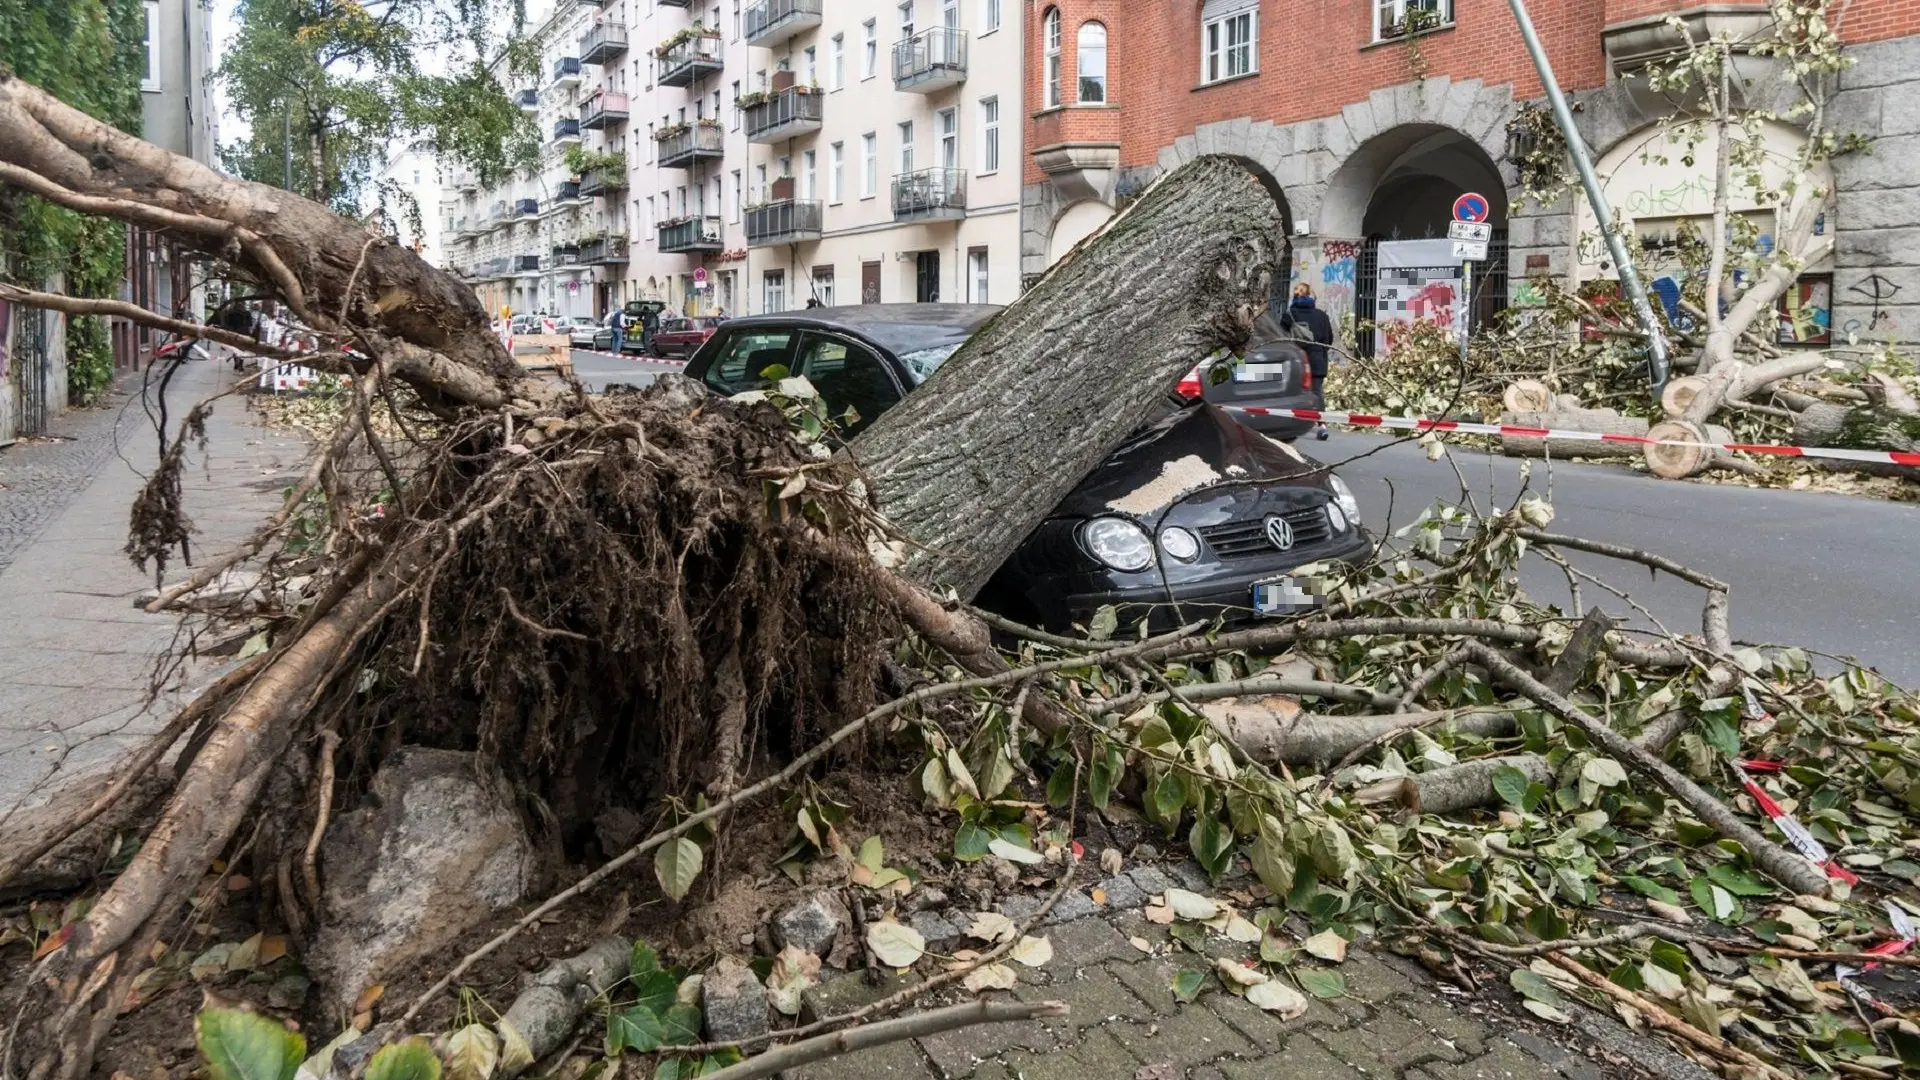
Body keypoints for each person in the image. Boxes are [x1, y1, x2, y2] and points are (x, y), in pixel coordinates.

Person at [1279, 283, 1335, 440]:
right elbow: (1328, 340)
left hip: (1295, 361)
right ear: (1311, 295)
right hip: (1317, 360)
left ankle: (1291, 425)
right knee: (1317, 392)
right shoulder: (1321, 315)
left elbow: (1281, 338)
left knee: (1292, 392)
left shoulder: (1289, 315)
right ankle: (1322, 426)